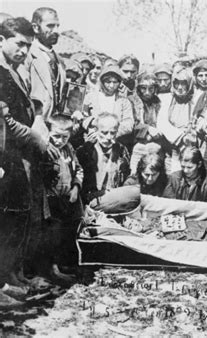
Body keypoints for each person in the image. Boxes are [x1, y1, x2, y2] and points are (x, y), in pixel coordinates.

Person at [0, 16, 54, 305]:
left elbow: (26, 108)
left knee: (18, 218)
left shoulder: (16, 70)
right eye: (19, 44)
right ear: (1, 40)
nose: (24, 50)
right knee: (6, 220)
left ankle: (12, 276)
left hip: (18, 155)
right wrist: (35, 137)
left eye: (28, 46)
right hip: (6, 153)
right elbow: (6, 122)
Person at [42, 115, 84, 283]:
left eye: (64, 137)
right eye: (56, 136)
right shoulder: (46, 150)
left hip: (68, 199)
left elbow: (78, 169)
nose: (60, 141)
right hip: (51, 199)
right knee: (53, 233)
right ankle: (51, 269)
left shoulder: (69, 149)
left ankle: (64, 263)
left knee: (69, 231)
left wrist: (76, 186)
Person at [76, 113, 130, 203]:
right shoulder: (84, 151)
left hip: (114, 199)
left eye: (113, 133)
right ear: (96, 130)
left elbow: (126, 177)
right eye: (104, 132)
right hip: (89, 201)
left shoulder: (122, 151)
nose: (108, 137)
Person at [25, 7, 66, 119]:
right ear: (36, 28)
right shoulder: (27, 56)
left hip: (55, 128)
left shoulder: (60, 61)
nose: (56, 31)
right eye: (50, 26)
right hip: (33, 126)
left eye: (58, 26)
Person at [83, 64, 134, 145]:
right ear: (102, 82)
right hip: (92, 138)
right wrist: (93, 126)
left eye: (115, 82)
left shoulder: (124, 101)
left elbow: (128, 124)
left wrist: (109, 135)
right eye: (108, 82)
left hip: (115, 140)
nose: (111, 85)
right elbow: (84, 117)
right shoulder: (90, 97)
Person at [128, 71, 162, 144]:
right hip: (135, 141)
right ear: (138, 88)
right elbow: (132, 125)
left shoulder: (157, 102)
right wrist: (148, 129)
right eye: (143, 88)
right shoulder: (132, 100)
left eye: (151, 88)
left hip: (155, 139)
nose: (147, 92)